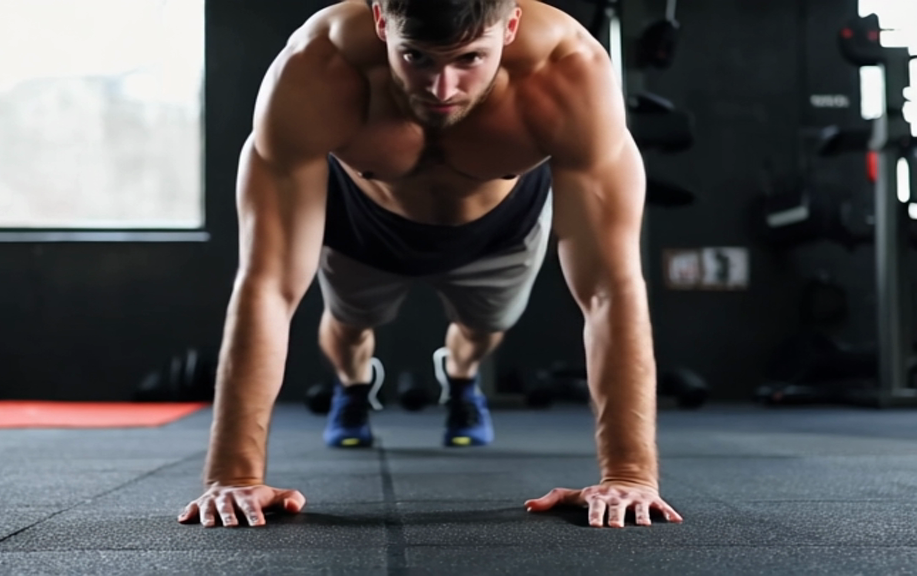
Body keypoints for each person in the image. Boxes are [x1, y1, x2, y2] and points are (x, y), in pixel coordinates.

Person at [179, 0, 684, 530]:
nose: (442, 88)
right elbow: (267, 286)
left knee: (484, 330)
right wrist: (233, 475)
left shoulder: (566, 74)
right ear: (380, 21)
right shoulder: (318, 70)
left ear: (510, 27)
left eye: (469, 59)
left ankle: (460, 375)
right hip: (364, 222)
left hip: (500, 227)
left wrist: (631, 474)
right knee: (349, 328)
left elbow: (611, 288)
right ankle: (354, 388)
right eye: (416, 56)